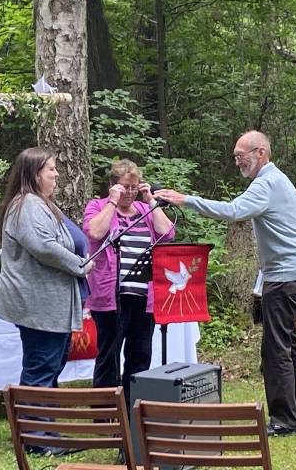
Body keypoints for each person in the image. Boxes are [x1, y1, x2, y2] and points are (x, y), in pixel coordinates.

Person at [154, 130, 296, 437]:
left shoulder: (267, 182)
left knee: (275, 349)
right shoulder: (278, 180)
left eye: (241, 155)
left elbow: (233, 212)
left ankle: (285, 421)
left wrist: (185, 200)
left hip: (284, 276)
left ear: (260, 153)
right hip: (292, 272)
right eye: (235, 156)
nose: (237, 160)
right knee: (288, 342)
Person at [0, 147, 94, 391]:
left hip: (49, 306)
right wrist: (80, 265)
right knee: (40, 369)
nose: (56, 174)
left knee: (51, 367)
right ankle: (33, 428)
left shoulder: (40, 204)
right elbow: (44, 246)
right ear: (35, 174)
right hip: (39, 307)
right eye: (51, 169)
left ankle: (45, 426)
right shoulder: (27, 205)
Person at [83, 159, 175, 408]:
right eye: (126, 187)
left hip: (144, 297)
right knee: (109, 356)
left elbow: (167, 234)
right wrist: (113, 202)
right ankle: (104, 413)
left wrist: (151, 203)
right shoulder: (98, 206)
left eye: (135, 187)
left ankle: (133, 411)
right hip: (111, 298)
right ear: (113, 185)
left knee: (140, 354)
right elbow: (95, 232)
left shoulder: (144, 212)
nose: (130, 192)